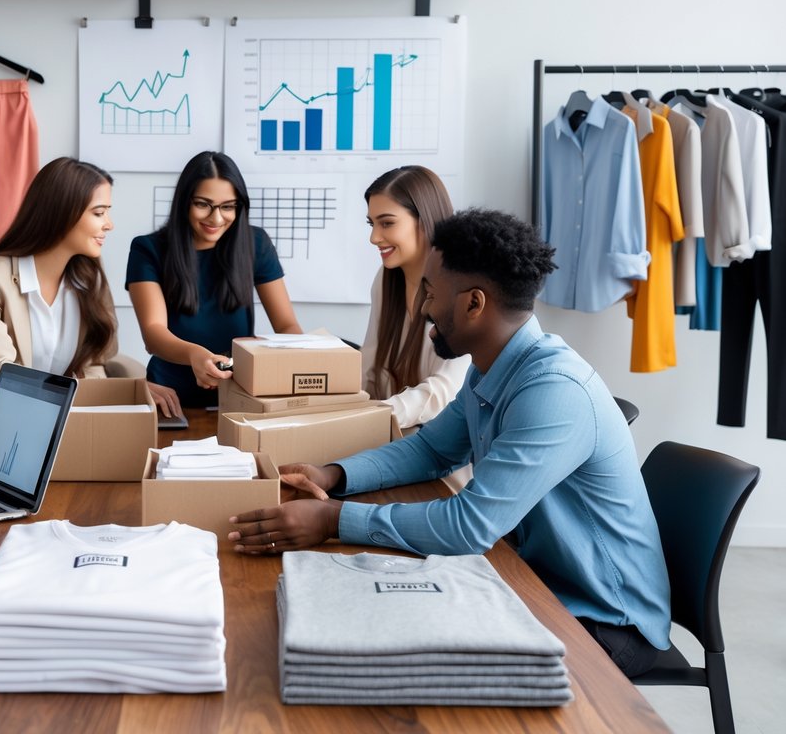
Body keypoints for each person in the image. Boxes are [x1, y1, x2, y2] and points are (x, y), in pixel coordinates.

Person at [229, 208, 671, 677]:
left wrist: (332, 519)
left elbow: (468, 527)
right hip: (537, 579)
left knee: (390, 652)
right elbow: (433, 450)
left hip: (604, 621)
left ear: (473, 304)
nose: (422, 309)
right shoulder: (493, 363)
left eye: (431, 293)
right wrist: (333, 476)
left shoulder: (555, 391)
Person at [0, 157, 182, 456]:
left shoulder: (88, 279)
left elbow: (92, 364)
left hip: (51, 431)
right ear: (63, 213)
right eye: (99, 213)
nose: (109, 224)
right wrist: (77, 400)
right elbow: (2, 371)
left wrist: (125, 394)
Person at [126, 151, 302, 408]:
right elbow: (153, 333)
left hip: (239, 394)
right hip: (171, 399)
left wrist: (283, 354)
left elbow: (287, 326)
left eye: (228, 207)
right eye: (203, 204)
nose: (216, 218)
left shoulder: (256, 243)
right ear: (184, 202)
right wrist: (195, 354)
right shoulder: (148, 249)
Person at [360, 166, 469, 428]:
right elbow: (370, 368)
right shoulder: (386, 279)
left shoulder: (459, 287)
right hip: (390, 439)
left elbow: (445, 391)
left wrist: (372, 416)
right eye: (372, 224)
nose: (374, 237)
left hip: (441, 453)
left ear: (424, 220)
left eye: (387, 223)